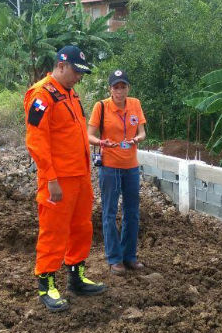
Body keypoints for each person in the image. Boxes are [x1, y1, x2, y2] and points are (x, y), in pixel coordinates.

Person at [24, 45, 106, 313]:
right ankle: (47, 284)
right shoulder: (41, 95)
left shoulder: (70, 93)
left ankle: (76, 276)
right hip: (58, 179)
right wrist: (51, 179)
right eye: (75, 71)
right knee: (54, 231)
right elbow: (37, 141)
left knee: (81, 227)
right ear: (60, 66)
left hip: (80, 175)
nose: (78, 77)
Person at [87, 70, 147, 274]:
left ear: (128, 88)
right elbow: (90, 136)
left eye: (123, 87)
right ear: (110, 89)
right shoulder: (101, 107)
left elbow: (142, 132)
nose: (120, 91)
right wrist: (102, 142)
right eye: (116, 87)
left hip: (131, 166)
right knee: (110, 212)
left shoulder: (135, 104)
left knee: (132, 213)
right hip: (110, 166)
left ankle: (129, 256)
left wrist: (137, 139)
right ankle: (114, 258)